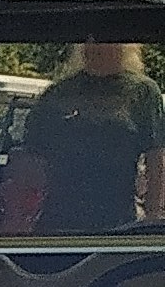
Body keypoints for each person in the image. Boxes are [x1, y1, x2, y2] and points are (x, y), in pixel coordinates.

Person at [10, 40, 165, 235]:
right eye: (89, 41)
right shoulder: (57, 94)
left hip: (118, 223)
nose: (96, 47)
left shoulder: (142, 92)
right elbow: (29, 159)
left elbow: (156, 159)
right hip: (57, 222)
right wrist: (16, 218)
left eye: (104, 41)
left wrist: (152, 218)